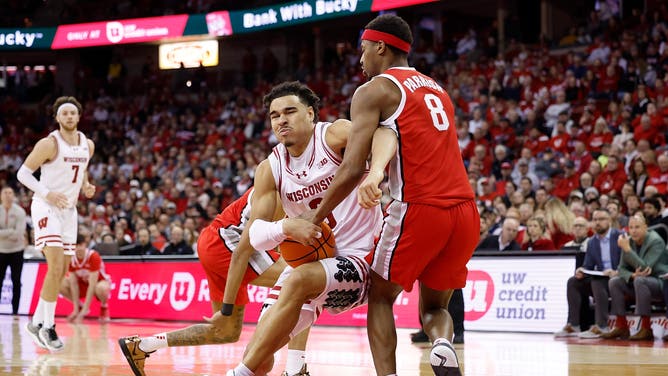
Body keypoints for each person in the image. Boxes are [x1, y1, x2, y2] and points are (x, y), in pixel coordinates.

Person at [303, 15, 479, 376]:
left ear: (380, 45)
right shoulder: (436, 88)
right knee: (434, 309)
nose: (361, 58)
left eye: (363, 49)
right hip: (465, 211)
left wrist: (315, 216)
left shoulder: (374, 90)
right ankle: (443, 344)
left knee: (381, 296)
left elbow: (351, 168)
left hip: (419, 207)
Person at [225, 81, 390, 376]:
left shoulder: (333, 135)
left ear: (311, 114)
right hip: (311, 263)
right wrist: (286, 227)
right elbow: (254, 236)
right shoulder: (270, 167)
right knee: (259, 355)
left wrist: (374, 174)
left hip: (359, 262)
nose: (282, 120)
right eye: (275, 115)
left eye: (290, 111)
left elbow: (382, 132)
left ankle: (237, 375)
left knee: (298, 280)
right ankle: (285, 368)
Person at [118, 188, 310, 376]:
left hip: (214, 242)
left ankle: (143, 345)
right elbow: (247, 250)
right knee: (303, 280)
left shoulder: (297, 188)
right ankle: (294, 368)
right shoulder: (279, 189)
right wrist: (228, 309)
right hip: (227, 245)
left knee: (226, 331)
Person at [17, 96, 95, 352]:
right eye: (65, 113)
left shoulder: (88, 145)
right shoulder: (49, 143)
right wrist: (46, 193)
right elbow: (23, 173)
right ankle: (48, 326)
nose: (70, 117)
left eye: (73, 112)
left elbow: (81, 169)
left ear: (79, 116)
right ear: (57, 118)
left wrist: (85, 185)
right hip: (46, 205)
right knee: (56, 265)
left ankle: (36, 321)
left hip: (68, 211)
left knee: (62, 272)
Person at [554, 209, 621, 339]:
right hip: (601, 277)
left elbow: (627, 262)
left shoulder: (620, 236)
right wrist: (581, 270)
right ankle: (574, 325)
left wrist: (616, 271)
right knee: (573, 281)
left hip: (617, 277)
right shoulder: (592, 242)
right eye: (595, 220)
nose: (597, 223)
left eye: (601, 219)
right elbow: (588, 265)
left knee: (597, 281)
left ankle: (601, 326)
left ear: (609, 221)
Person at [600, 213, 668, 340]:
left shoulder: (656, 241)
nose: (633, 231)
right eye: (631, 227)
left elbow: (646, 268)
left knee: (640, 280)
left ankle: (646, 328)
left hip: (660, 283)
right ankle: (622, 327)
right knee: (614, 282)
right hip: (639, 281)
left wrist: (627, 250)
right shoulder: (628, 241)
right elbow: (621, 268)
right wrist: (632, 275)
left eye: (637, 227)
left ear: (645, 228)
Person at [60, 234, 111, 323]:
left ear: (85, 245)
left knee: (101, 288)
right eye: (76, 246)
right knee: (60, 283)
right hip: (82, 284)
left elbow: (92, 284)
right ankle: (79, 307)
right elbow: (73, 284)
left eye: (81, 245)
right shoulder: (71, 258)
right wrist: (75, 309)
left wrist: (85, 310)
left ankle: (104, 306)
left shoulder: (93, 256)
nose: (78, 248)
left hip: (97, 283)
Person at [0, 186, 27, 316]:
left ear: (14, 196)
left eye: (10, 192)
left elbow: (19, 233)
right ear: (1, 196)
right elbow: (14, 232)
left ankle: (15, 310)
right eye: (5, 192)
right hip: (1, 251)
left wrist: (3, 233)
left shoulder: (20, 212)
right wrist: (11, 231)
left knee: (16, 281)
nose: (7, 195)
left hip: (17, 251)